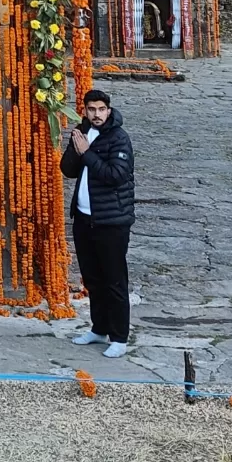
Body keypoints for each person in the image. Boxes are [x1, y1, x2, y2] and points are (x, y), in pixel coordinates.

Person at [60, 88, 136, 358]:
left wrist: (88, 153)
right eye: (91, 110)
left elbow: (114, 175)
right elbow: (68, 170)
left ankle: (119, 337)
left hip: (111, 221)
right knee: (92, 278)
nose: (96, 115)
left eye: (101, 109)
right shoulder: (82, 133)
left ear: (109, 110)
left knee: (114, 280)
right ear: (85, 110)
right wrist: (75, 148)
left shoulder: (119, 139)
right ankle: (99, 328)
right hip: (84, 218)